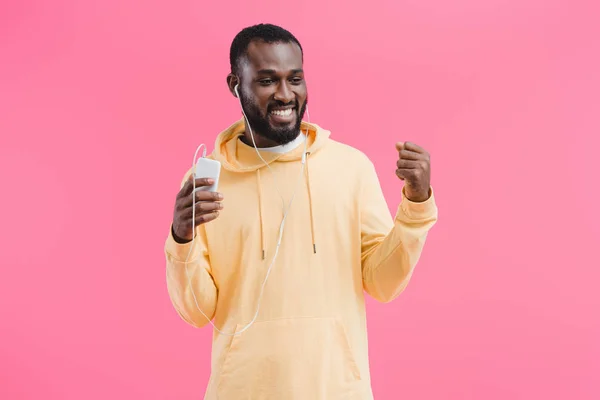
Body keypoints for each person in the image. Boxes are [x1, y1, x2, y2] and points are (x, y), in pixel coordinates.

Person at [164, 23, 438, 400]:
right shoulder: (207, 182)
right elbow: (197, 310)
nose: (284, 94)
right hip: (241, 391)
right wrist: (182, 238)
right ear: (235, 84)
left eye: (295, 79)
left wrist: (416, 206)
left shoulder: (350, 168)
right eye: (266, 81)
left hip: (337, 390)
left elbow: (383, 283)